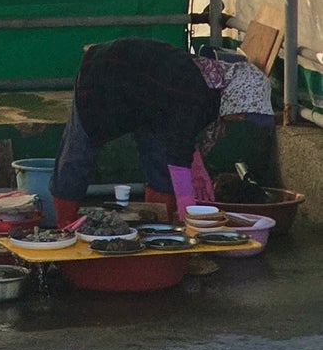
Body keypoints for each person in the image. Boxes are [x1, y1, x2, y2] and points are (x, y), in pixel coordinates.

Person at [50, 37, 275, 226]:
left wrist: (196, 167)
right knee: (78, 154)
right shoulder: (195, 91)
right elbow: (179, 152)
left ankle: (157, 228)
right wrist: (188, 208)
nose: (240, 119)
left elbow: (182, 132)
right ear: (237, 96)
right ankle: (63, 229)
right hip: (103, 75)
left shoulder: (214, 86)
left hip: (148, 99)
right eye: (243, 113)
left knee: (159, 162)